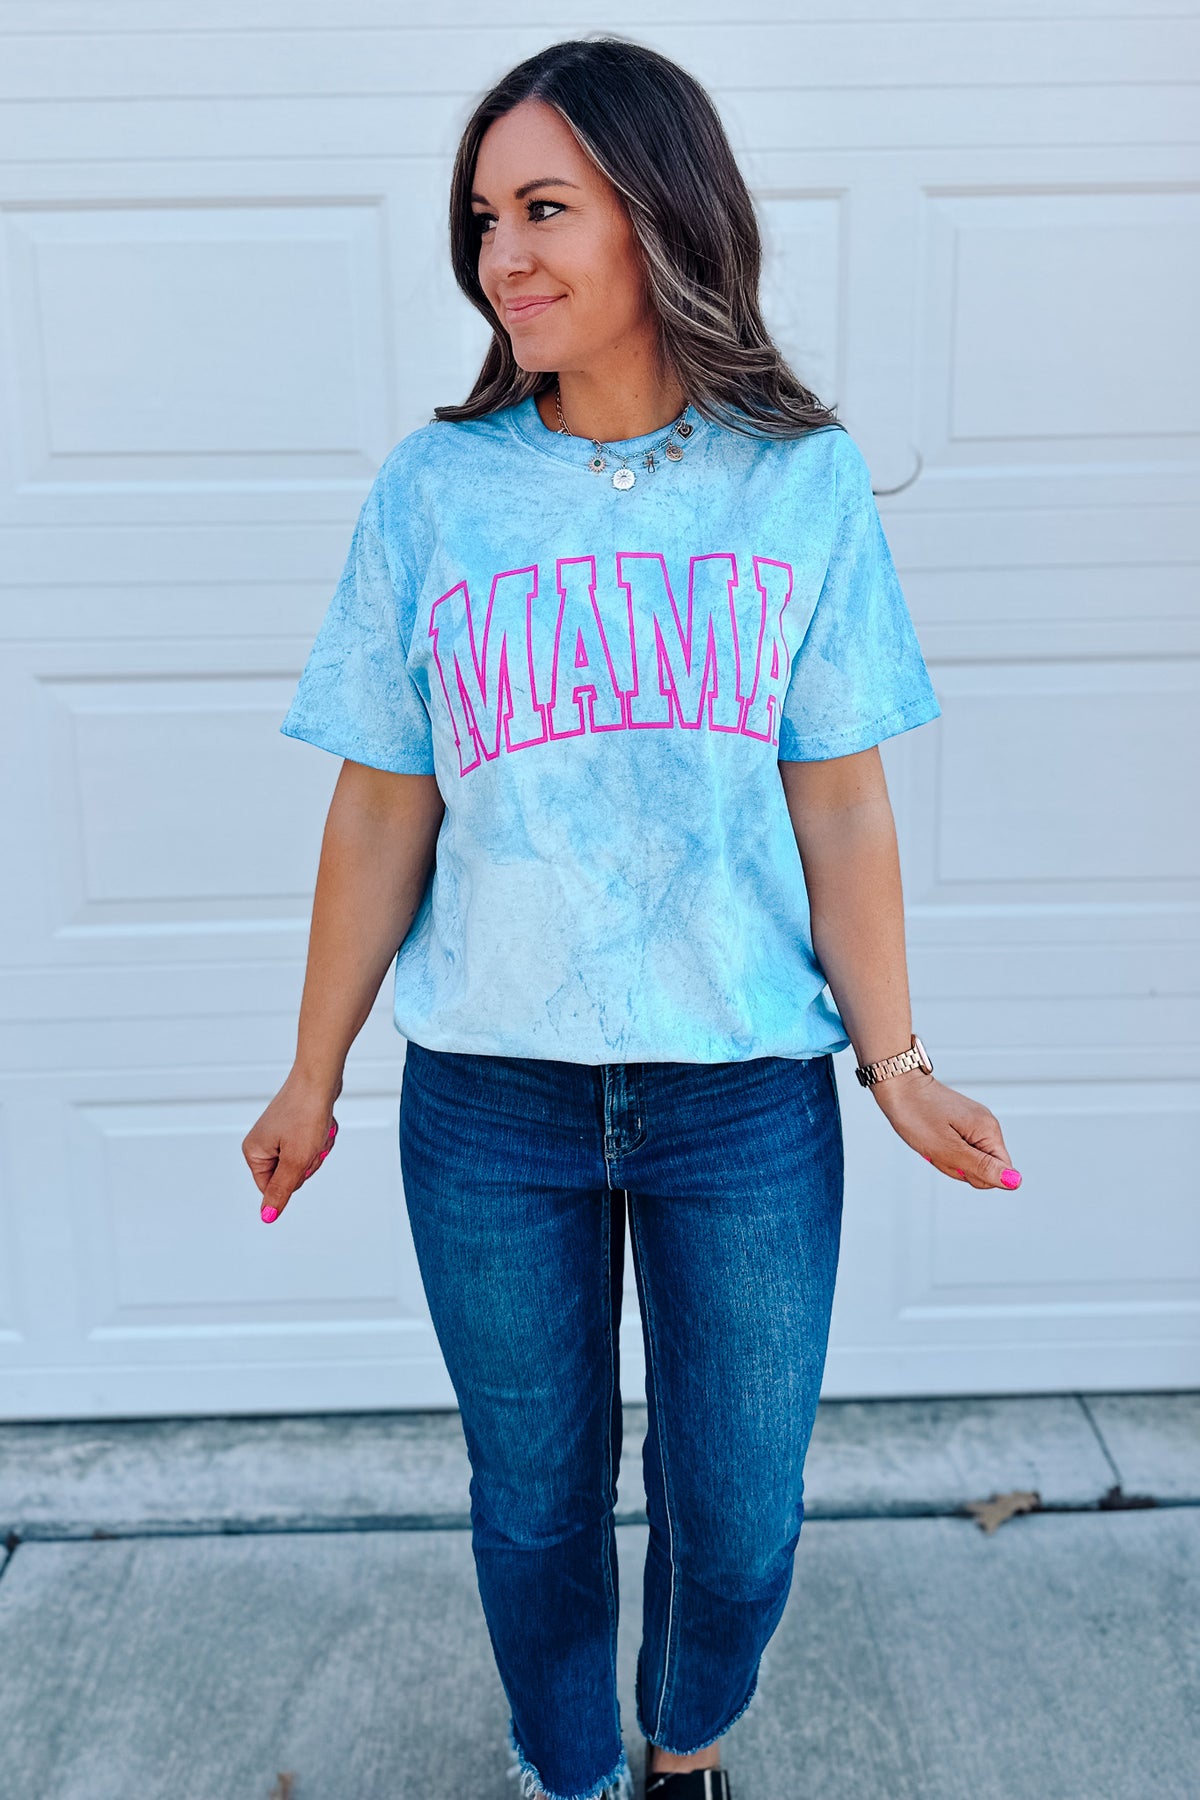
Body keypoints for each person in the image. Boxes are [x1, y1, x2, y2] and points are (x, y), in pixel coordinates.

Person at [242, 33, 1022, 1800]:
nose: (501, 257)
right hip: (491, 1094)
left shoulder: (797, 483)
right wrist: (311, 1071)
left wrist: (896, 1064)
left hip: (740, 1090)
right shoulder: (436, 492)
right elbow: (385, 799)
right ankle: (572, 1770)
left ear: (661, 215)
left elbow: (839, 794)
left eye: (544, 210)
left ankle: (684, 1748)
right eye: (484, 218)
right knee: (533, 1501)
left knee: (738, 1513)